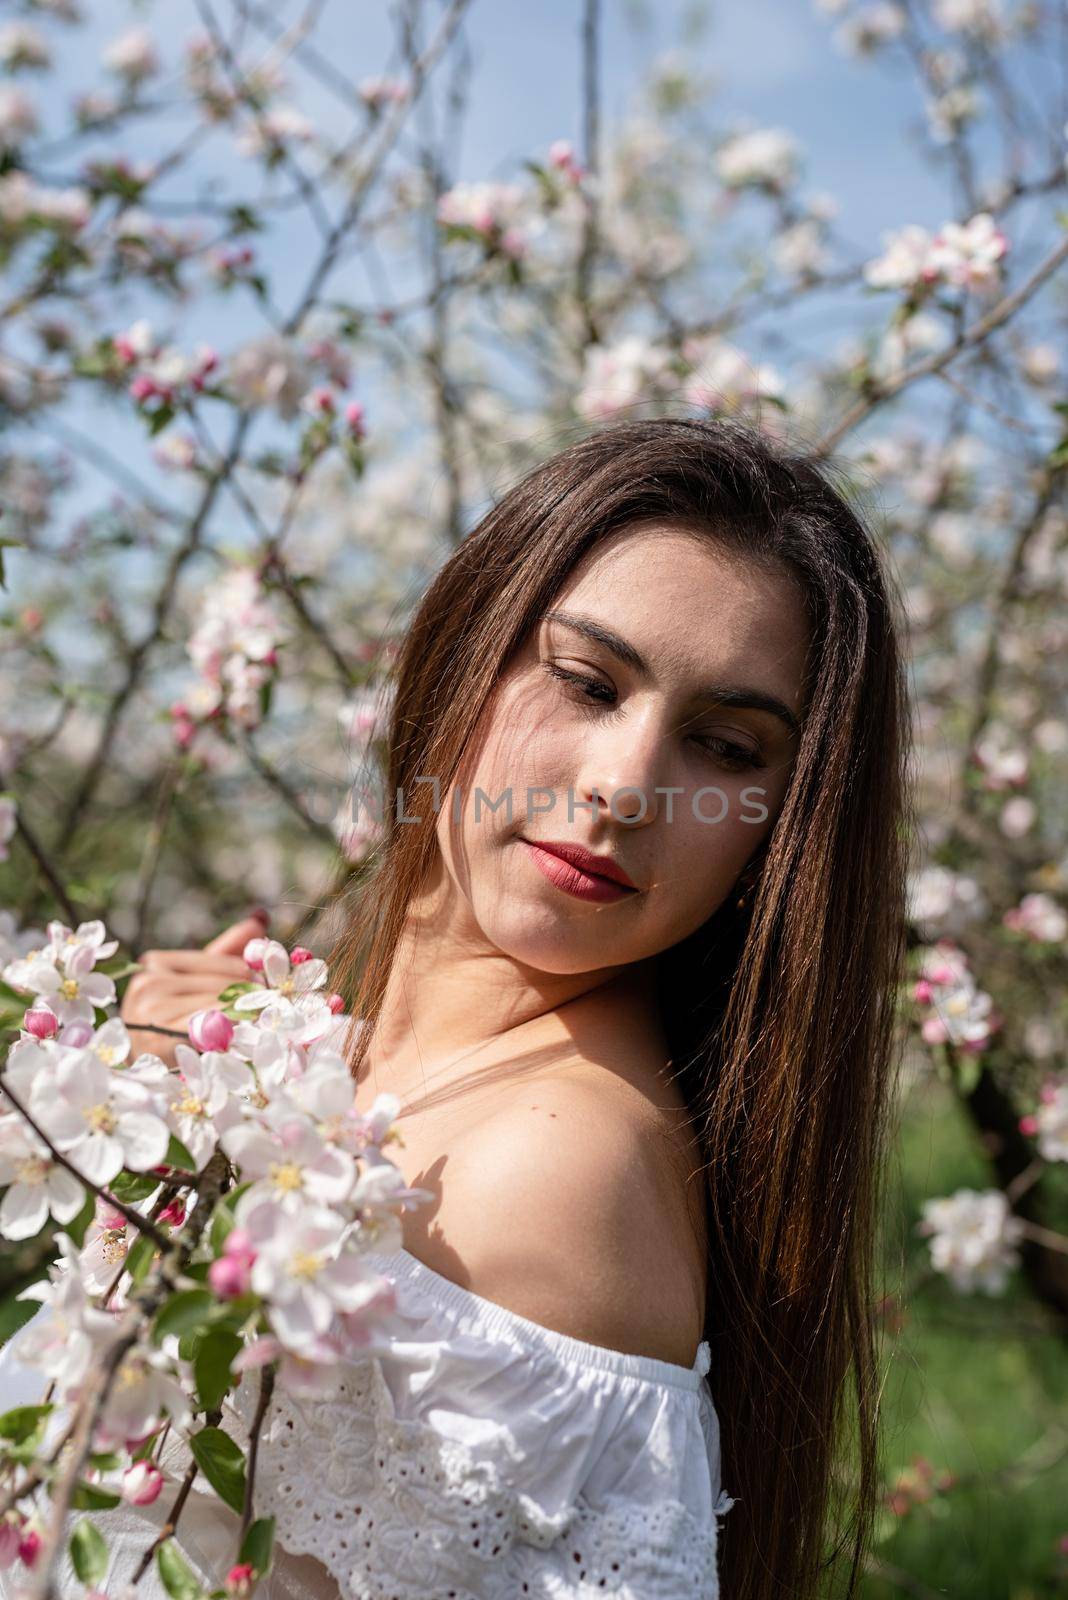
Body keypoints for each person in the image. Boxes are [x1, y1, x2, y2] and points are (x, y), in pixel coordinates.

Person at [1, 416, 911, 1600]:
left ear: (781, 826)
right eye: (587, 682)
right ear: (459, 649)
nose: (622, 787)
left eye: (727, 746)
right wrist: (201, 1109)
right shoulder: (301, 1061)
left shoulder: (556, 1169)